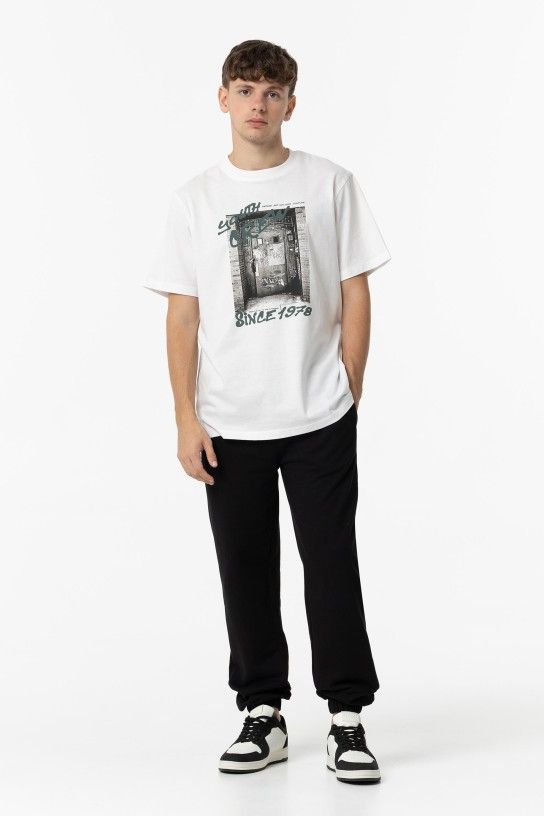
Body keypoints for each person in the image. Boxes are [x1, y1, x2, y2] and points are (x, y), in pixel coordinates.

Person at [142, 39, 391, 784]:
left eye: (273, 92)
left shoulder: (330, 182)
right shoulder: (194, 200)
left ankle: (346, 716)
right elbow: (183, 314)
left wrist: (349, 382)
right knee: (245, 569)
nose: (259, 104)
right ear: (223, 98)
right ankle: (263, 711)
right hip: (230, 422)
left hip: (319, 414)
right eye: (246, 90)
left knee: (331, 565)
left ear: (291, 103)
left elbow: (354, 286)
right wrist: (186, 417)